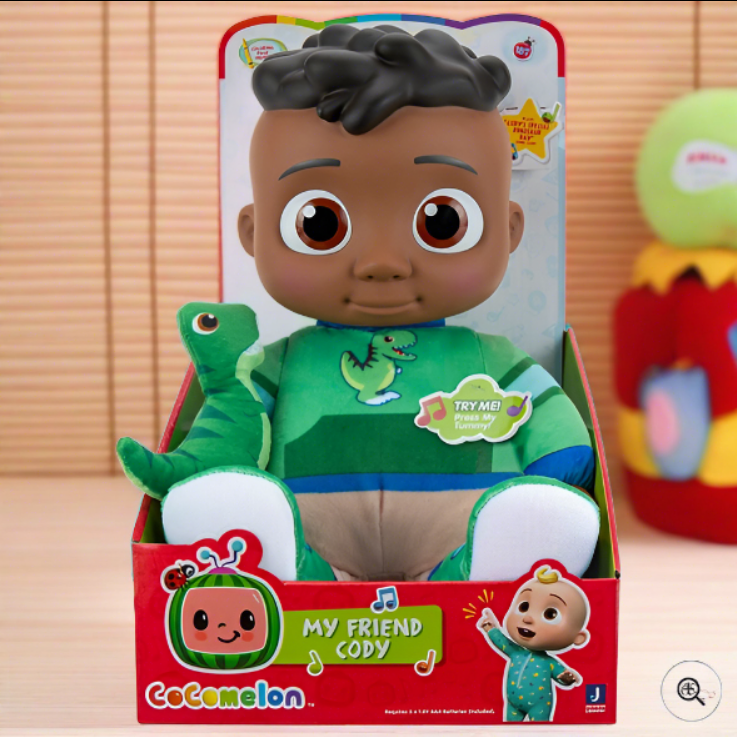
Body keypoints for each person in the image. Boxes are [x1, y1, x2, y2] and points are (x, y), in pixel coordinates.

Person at [182, 24, 601, 582]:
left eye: (441, 222)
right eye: (320, 224)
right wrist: (216, 470)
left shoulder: (491, 359)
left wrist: (553, 462)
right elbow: (233, 422)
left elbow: (551, 424)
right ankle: (300, 573)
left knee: (549, 520)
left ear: (509, 229)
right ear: (253, 234)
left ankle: (475, 569)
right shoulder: (278, 364)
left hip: (461, 541)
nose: (382, 261)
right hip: (312, 548)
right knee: (221, 508)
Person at [477, 565, 590, 722]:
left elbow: (561, 674)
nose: (528, 618)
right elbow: (502, 642)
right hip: (512, 703)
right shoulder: (515, 652)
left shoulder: (549, 662)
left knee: (540, 729)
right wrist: (491, 629)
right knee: (510, 727)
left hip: (539, 705)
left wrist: (566, 677)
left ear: (578, 638)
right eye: (524, 607)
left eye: (550, 614)